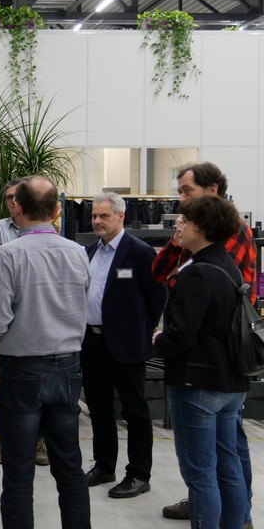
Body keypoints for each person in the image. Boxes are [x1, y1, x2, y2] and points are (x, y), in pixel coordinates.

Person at [0, 175, 91, 529]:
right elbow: (85, 307)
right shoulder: (78, 253)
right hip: (69, 369)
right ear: (57, 210)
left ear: (18, 208)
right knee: (70, 467)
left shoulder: (7, 255)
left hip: (22, 372)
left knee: (18, 471)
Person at [152, 162, 255, 527]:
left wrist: (160, 340)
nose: (179, 225)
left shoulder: (196, 273)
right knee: (227, 465)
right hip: (229, 381)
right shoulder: (227, 266)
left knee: (201, 473)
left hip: (197, 382)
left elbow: (181, 334)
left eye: (185, 220)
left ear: (202, 226)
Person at [82, 193, 166, 498]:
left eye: (103, 216)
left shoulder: (139, 252)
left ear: (121, 216)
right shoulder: (90, 251)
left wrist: (141, 330)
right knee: (98, 408)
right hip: (91, 341)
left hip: (126, 344)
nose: (97, 221)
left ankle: (139, 474)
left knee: (134, 410)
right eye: (94, 216)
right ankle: (104, 466)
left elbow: (157, 296)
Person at [0, 179, 48, 466]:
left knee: (42, 387)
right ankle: (7, 442)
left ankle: (39, 442)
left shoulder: (46, 230)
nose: (12, 202)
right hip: (10, 314)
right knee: (8, 385)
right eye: (8, 197)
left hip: (38, 313)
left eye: (16, 197)